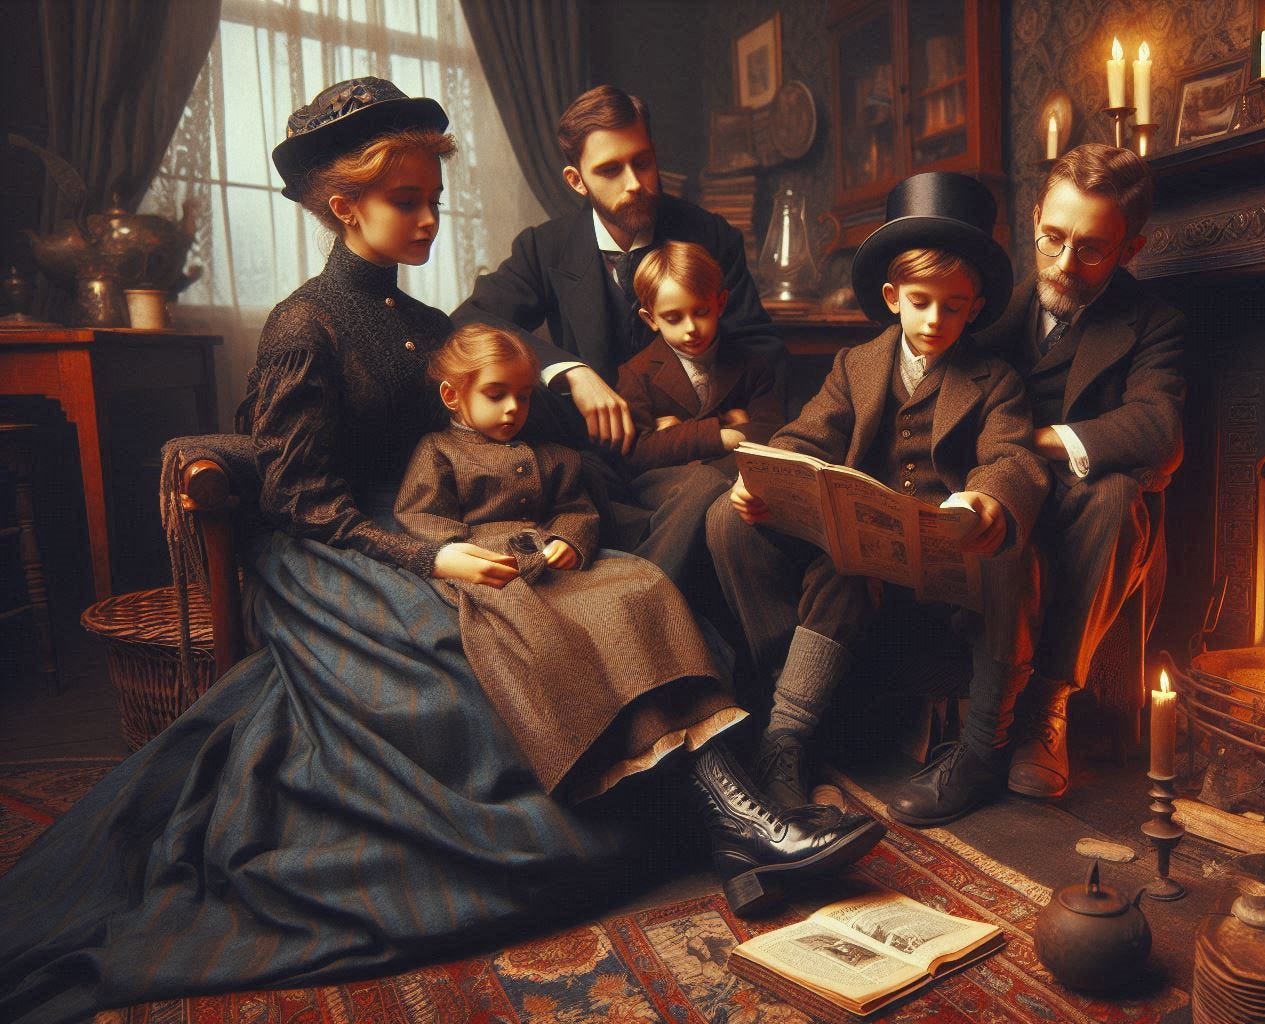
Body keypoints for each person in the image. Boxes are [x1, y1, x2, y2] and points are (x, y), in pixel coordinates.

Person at [0, 78, 875, 1024]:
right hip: (333, 552)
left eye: (432, 199)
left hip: (447, 526)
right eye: (406, 202)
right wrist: (431, 561)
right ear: (345, 208)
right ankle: (736, 826)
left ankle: (738, 822)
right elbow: (297, 497)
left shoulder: (429, 327)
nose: (428, 218)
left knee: (625, 585)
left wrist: (549, 461)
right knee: (492, 643)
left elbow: (484, 429)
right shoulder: (305, 324)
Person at [706, 172, 1048, 827]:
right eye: (921, 301)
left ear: (975, 307)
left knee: (1011, 550)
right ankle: (788, 737)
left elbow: (1012, 457)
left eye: (953, 305)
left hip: (947, 562)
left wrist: (982, 504)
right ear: (892, 297)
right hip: (865, 556)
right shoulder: (855, 367)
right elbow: (804, 437)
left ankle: (978, 751)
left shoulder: (993, 379)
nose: (935, 319)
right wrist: (768, 482)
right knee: (753, 529)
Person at [453, 85, 783, 587]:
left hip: (694, 454)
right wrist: (570, 371)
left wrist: (707, 423)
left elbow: (761, 350)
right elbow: (470, 320)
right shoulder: (545, 248)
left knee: (706, 498)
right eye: (610, 170)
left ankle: (638, 603)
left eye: (643, 162)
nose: (635, 184)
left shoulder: (712, 237)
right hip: (595, 461)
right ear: (576, 179)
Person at [395, 323, 739, 801]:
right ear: (454, 396)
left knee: (638, 583)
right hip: (492, 568)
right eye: (496, 395)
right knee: (544, 626)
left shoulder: (552, 455)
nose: (514, 408)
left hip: (554, 559)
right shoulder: (439, 452)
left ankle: (691, 723)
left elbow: (575, 510)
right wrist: (456, 553)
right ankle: (607, 757)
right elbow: (421, 515)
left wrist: (568, 540)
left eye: (523, 396)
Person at [973, 144, 1189, 800]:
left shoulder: (1155, 323)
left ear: (1131, 249)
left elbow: (1159, 430)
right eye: (1052, 238)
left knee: (1118, 494)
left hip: (1086, 504)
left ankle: (1048, 703)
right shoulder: (983, 310)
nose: (1064, 264)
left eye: (1091, 249)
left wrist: (1040, 439)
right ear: (1035, 216)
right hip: (999, 491)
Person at [611, 241, 786, 593]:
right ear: (651, 319)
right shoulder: (637, 373)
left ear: (720, 303)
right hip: (662, 487)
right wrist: (724, 431)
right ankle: (647, 591)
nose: (690, 328)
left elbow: (773, 432)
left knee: (732, 508)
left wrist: (677, 435)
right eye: (673, 318)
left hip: (733, 481)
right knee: (704, 482)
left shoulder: (752, 363)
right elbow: (637, 454)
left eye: (701, 312)